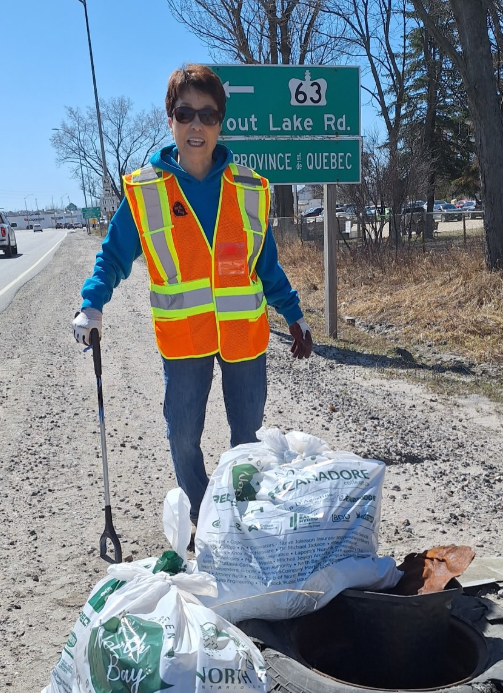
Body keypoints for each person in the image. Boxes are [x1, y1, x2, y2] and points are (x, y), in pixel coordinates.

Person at [72, 63, 313, 526]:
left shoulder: (250, 189)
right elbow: (114, 255)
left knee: (248, 438)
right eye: (186, 114)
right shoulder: (146, 192)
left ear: (221, 122)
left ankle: (242, 519)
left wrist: (295, 315)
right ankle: (205, 520)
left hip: (244, 339)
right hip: (184, 343)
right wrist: (92, 303)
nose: (196, 125)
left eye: (207, 114)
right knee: (184, 436)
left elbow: (266, 266)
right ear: (170, 119)